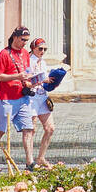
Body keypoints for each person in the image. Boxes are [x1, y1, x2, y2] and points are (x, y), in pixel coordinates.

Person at [0, 26, 36, 172]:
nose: (24, 43)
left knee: (28, 128)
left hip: (22, 98)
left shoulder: (25, 53)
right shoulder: (4, 54)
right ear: (15, 37)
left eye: (27, 40)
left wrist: (29, 82)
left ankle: (30, 162)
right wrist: (16, 76)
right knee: (1, 129)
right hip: (7, 99)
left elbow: (27, 71)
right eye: (23, 40)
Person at [26, 37, 56, 169]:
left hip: (42, 96)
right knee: (31, 129)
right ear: (33, 49)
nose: (42, 51)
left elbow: (45, 80)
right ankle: (30, 160)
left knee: (50, 128)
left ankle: (41, 157)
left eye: (45, 49)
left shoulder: (43, 62)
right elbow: (27, 80)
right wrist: (43, 80)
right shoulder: (28, 61)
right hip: (32, 97)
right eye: (40, 49)